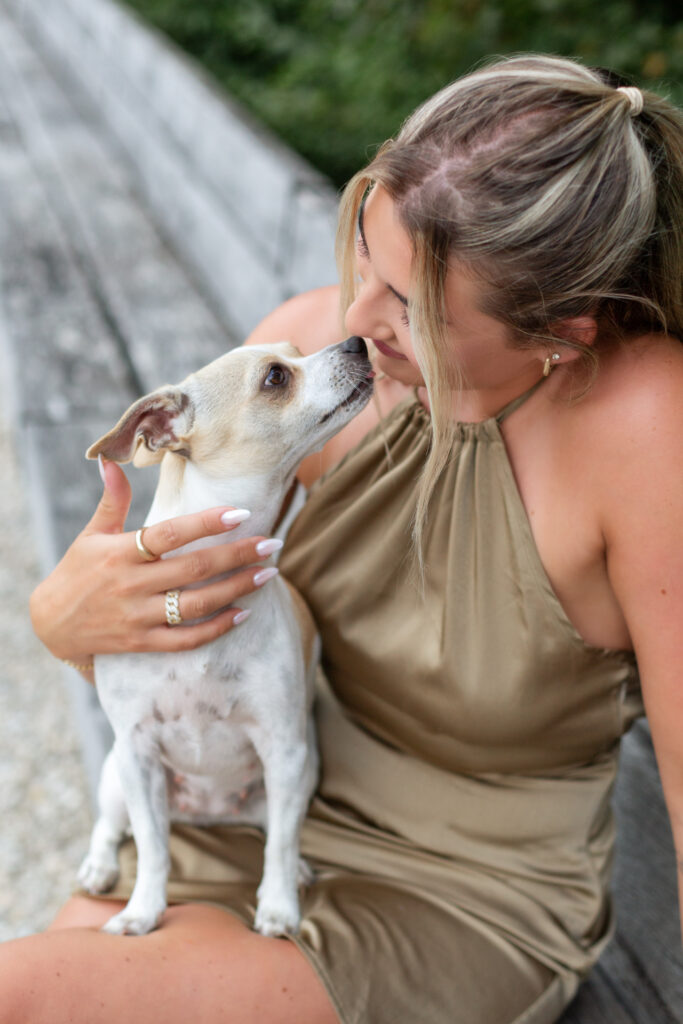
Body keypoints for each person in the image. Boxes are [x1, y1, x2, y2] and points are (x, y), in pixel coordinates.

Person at [1, 53, 681, 1024]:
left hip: (457, 895)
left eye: (408, 304)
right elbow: (174, 658)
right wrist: (62, 621)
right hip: (249, 809)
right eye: (365, 255)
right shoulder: (318, 362)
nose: (353, 322)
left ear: (558, 335)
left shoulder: (646, 428)